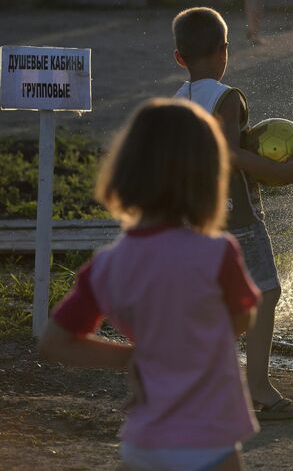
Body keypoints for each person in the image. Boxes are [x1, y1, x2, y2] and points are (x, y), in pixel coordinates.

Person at [37, 99, 261, 471]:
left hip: (143, 443)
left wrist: (133, 356)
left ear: (126, 170)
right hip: (210, 440)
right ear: (207, 178)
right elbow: (244, 318)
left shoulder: (107, 265)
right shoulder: (218, 253)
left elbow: (54, 342)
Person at [172, 7, 293, 420]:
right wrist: (282, 172)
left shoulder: (178, 100)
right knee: (265, 293)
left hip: (198, 218)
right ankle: (259, 389)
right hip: (238, 220)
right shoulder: (227, 98)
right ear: (224, 51)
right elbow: (230, 155)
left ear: (180, 58)